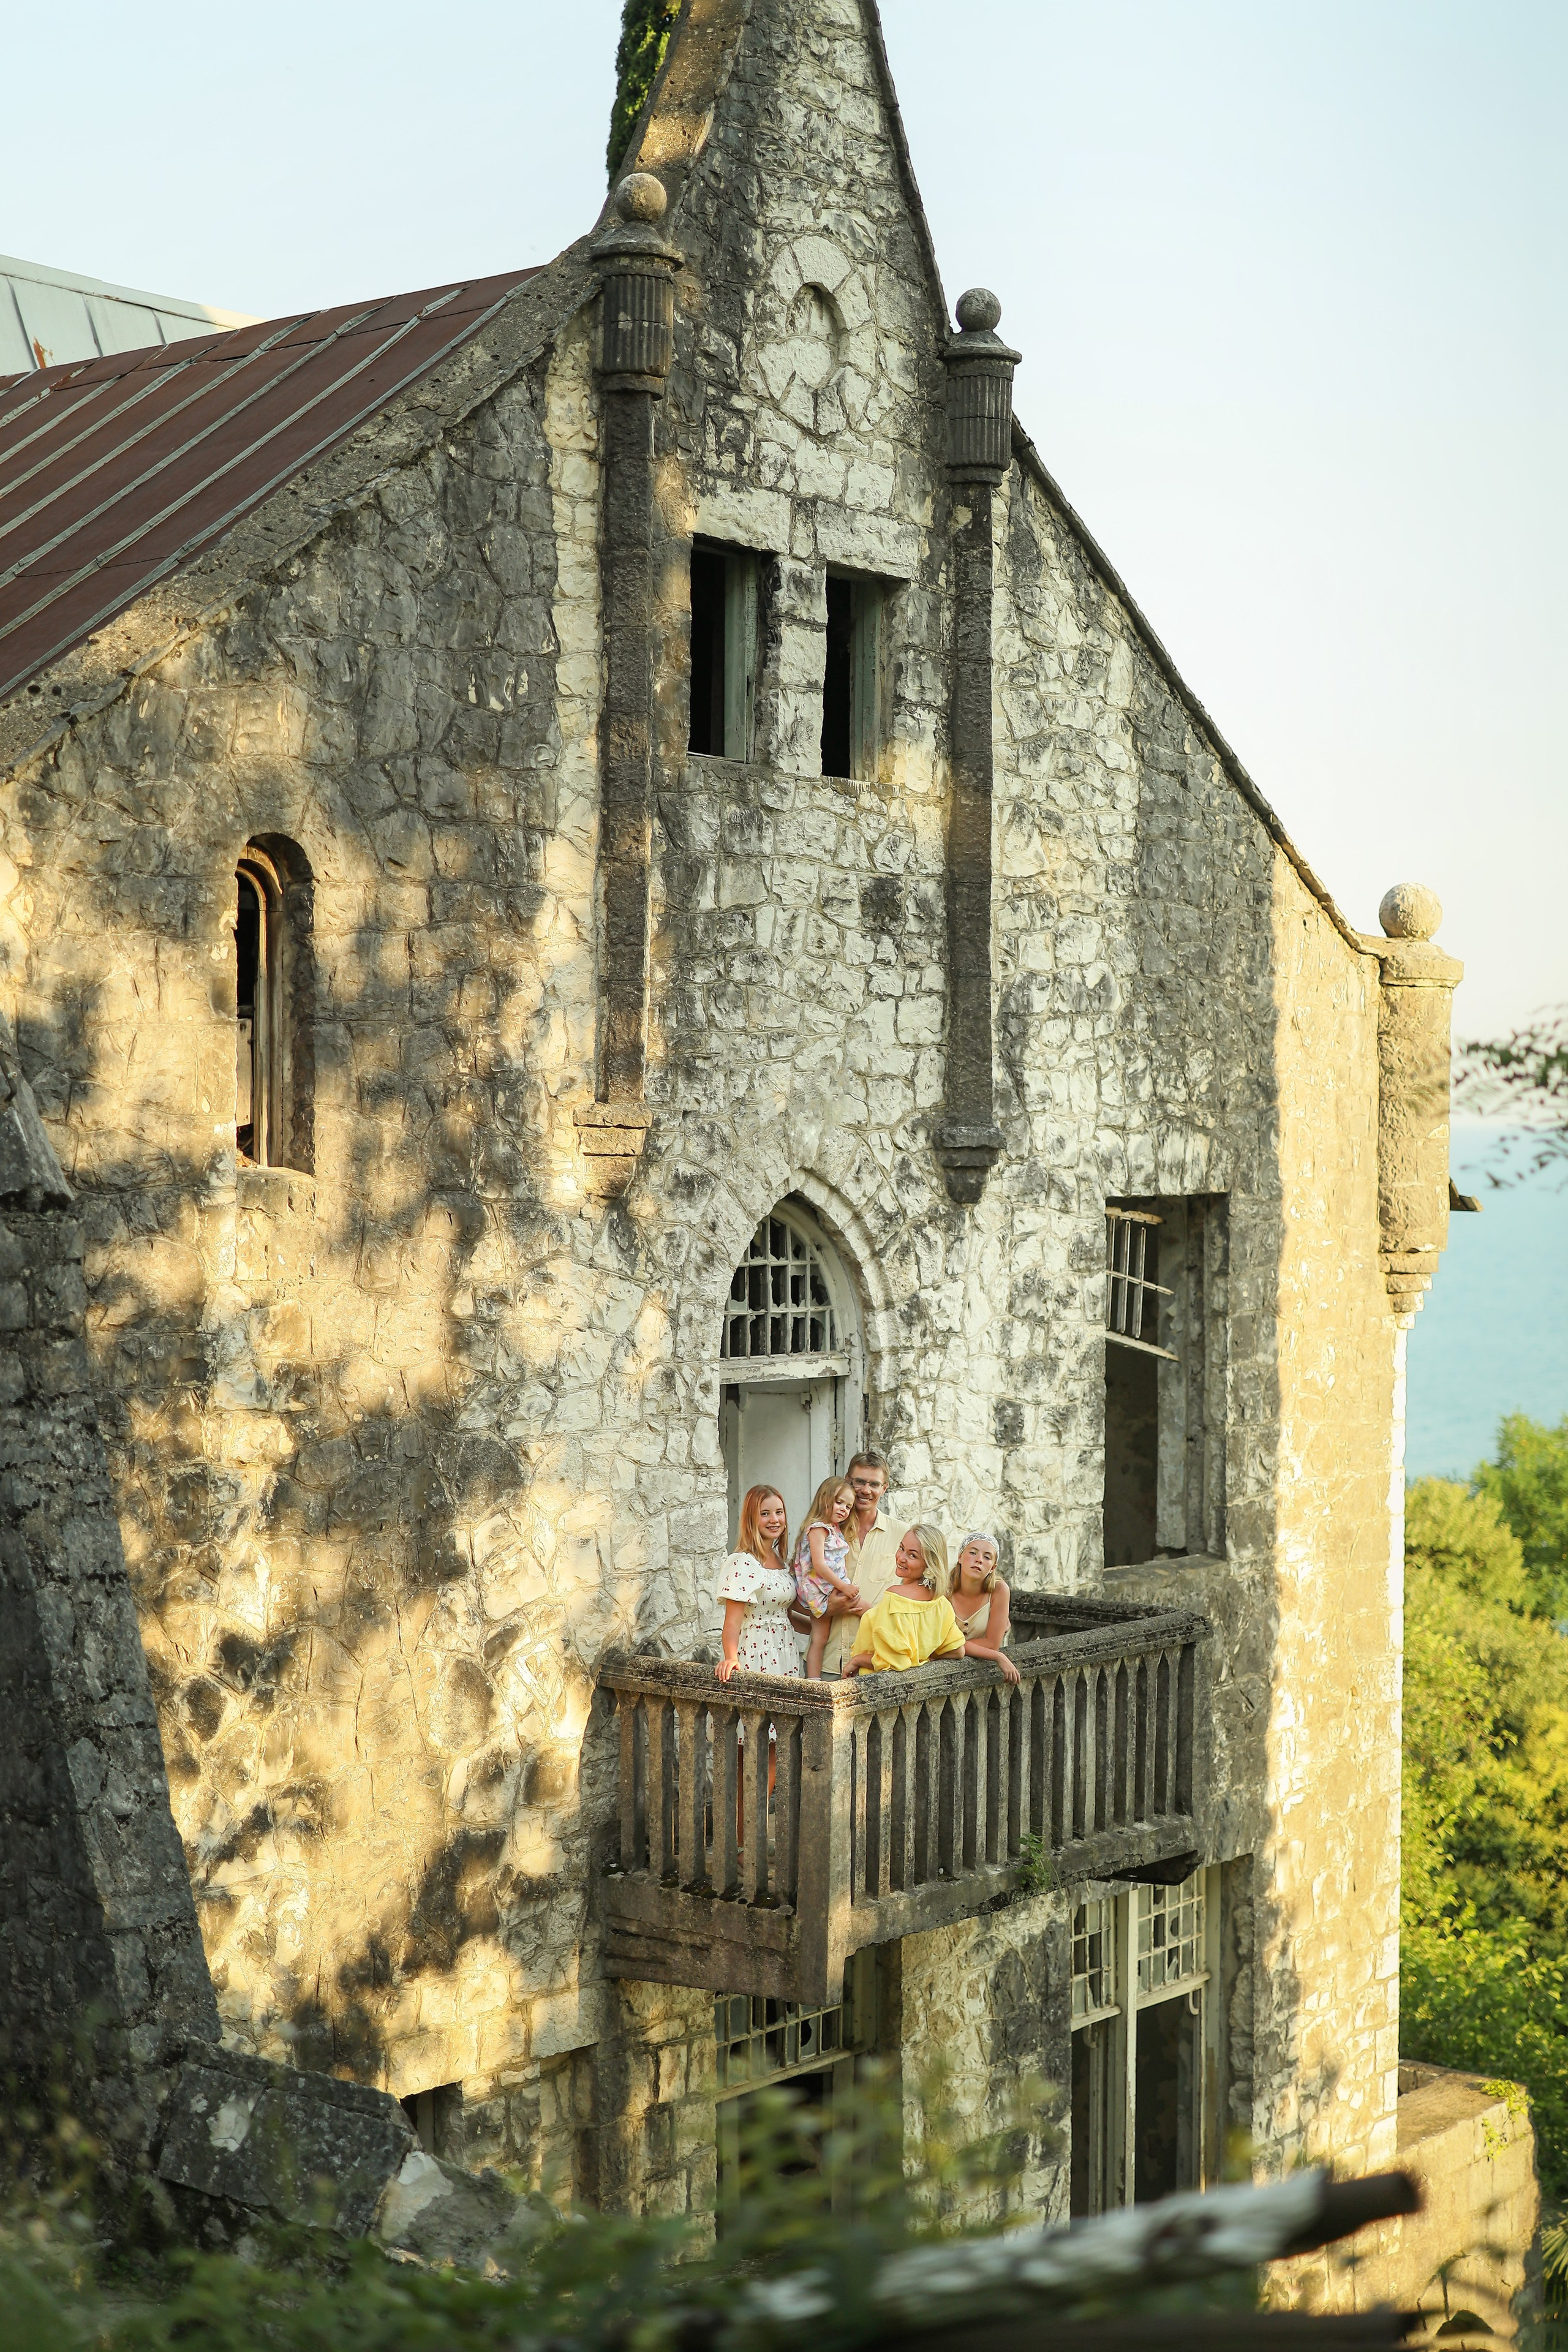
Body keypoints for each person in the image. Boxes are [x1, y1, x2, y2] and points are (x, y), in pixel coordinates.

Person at [844, 1525, 967, 1676]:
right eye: (901, 1548)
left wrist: (857, 1660)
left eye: (912, 1555)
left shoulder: (896, 1598)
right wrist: (921, 1656)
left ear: (930, 1563)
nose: (901, 1558)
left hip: (877, 1684)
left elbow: (895, 1662)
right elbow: (958, 1651)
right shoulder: (941, 1603)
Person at [818, 1450, 900, 1677]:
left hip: (877, 1663)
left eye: (874, 1484)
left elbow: (915, 1603)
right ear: (848, 1481)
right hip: (827, 1662)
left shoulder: (903, 1536)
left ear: (885, 1488)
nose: (866, 1490)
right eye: (860, 1482)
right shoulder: (821, 1531)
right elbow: (795, 1592)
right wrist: (826, 1609)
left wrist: (870, 1612)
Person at [715, 1486, 802, 1681]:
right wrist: (731, 1658)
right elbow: (732, 1621)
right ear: (751, 1519)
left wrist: (824, 1630)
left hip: (784, 1650)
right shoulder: (744, 1562)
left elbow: (784, 1616)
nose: (774, 1519)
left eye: (779, 1512)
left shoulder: (783, 1561)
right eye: (765, 1514)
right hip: (755, 1652)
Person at [791, 1476, 859, 1679]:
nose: (843, 1509)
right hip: (821, 1588)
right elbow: (820, 1565)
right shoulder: (818, 1528)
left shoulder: (834, 1529)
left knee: (820, 1639)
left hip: (829, 1587)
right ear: (825, 1499)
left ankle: (814, 1681)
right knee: (861, 1606)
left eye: (848, 1507)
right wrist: (843, 1586)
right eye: (839, 1502)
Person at [948, 1529, 1020, 1685]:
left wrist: (953, 1647)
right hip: (944, 1672)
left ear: (993, 1567)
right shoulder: (943, 1588)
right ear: (960, 1557)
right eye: (973, 1553)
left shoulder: (999, 1590)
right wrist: (998, 1656)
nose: (979, 1560)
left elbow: (992, 1644)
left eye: (987, 1557)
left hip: (980, 1677)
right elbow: (938, 1642)